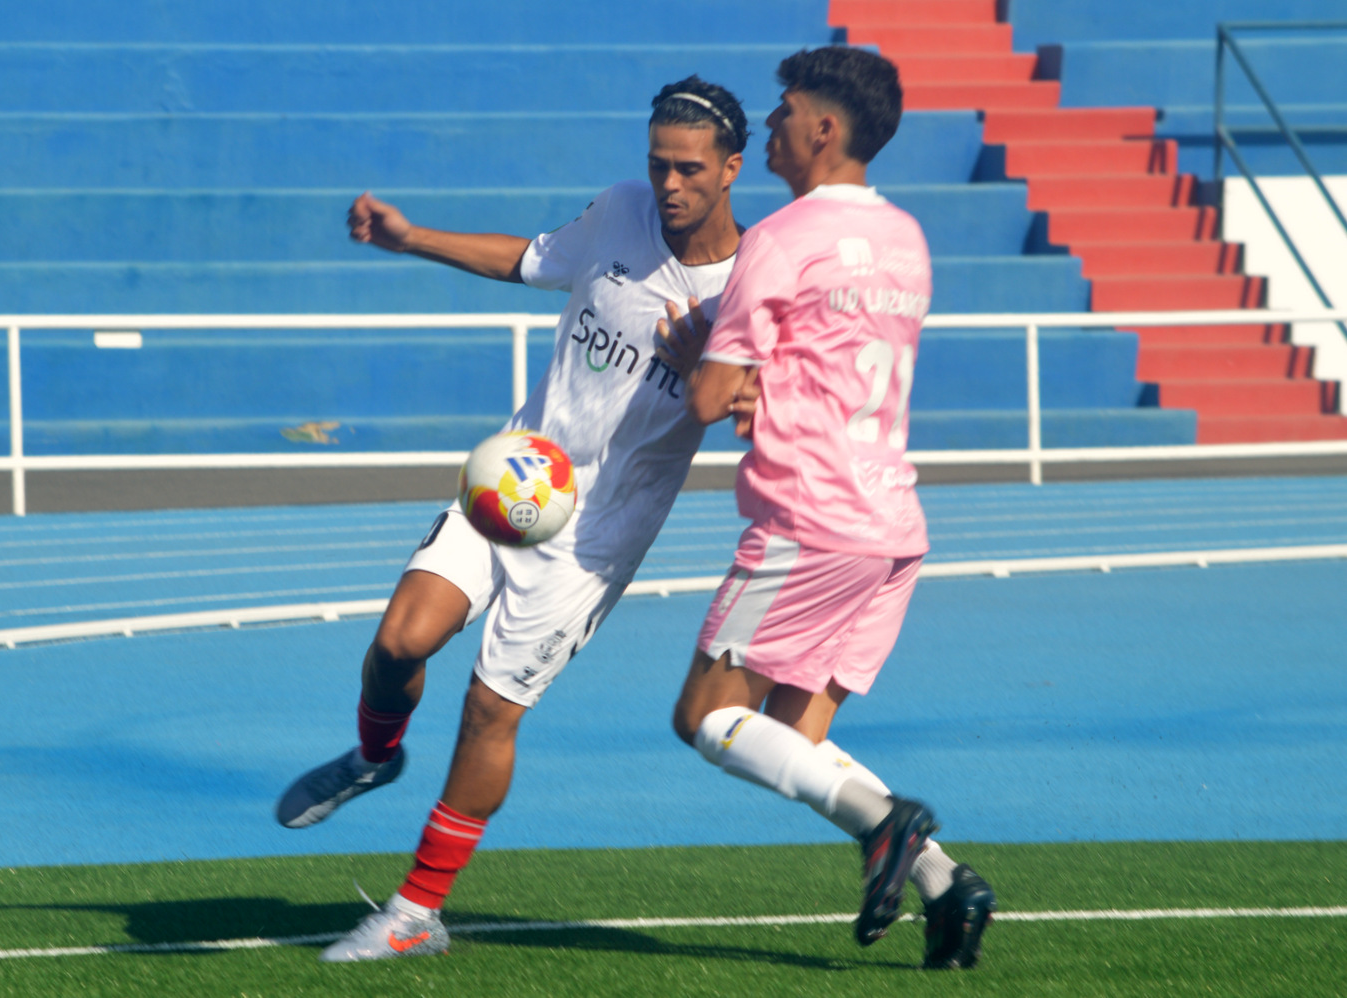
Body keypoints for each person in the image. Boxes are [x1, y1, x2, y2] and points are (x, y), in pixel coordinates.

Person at [275, 75, 752, 962]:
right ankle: (375, 757)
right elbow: (528, 259)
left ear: (731, 168)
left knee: (490, 712)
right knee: (397, 644)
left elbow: (755, 407)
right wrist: (412, 238)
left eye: (689, 168)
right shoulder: (616, 213)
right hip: (515, 481)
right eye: (658, 165)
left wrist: (709, 376)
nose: (669, 185)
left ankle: (415, 915)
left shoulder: (753, 288)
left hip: (595, 541)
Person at [669, 47, 997, 971]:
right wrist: (748, 373)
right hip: (891, 524)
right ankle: (946, 882)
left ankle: (890, 824)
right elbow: (819, 361)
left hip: (810, 519)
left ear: (825, 127)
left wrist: (698, 353)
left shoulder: (781, 237)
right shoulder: (907, 240)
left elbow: (705, 399)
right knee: (793, 740)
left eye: (783, 112)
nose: (768, 126)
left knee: (706, 717)